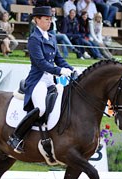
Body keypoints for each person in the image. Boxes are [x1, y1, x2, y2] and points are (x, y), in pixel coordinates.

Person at [7, 6, 76, 153]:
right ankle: (16, 137)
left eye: (50, 19)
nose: (49, 22)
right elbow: (41, 63)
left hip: (50, 80)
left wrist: (71, 69)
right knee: (41, 108)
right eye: (46, 19)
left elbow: (58, 58)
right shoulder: (34, 39)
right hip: (38, 80)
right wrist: (59, 71)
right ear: (37, 20)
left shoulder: (51, 37)